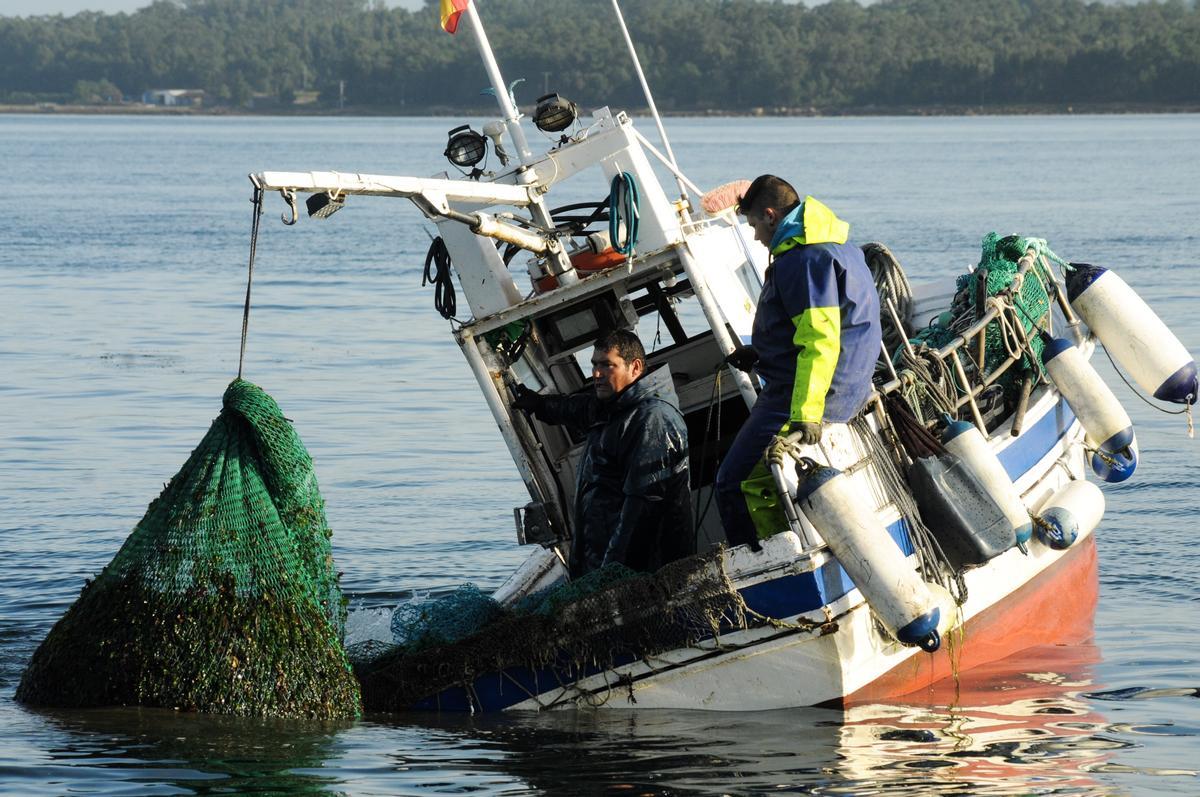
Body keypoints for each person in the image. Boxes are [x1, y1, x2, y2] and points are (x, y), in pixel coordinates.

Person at [716, 175, 882, 549]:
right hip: (851, 384)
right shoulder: (838, 246)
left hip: (806, 394)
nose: (757, 236)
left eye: (756, 225)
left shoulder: (802, 259)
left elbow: (819, 342)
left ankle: (771, 556)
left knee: (735, 481)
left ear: (771, 216)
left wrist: (807, 412)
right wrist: (759, 353)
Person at [511, 329, 695, 577]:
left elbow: (642, 507)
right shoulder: (616, 407)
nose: (596, 374)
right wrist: (541, 405)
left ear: (635, 367)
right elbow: (580, 408)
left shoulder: (652, 419)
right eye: (594, 364)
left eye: (607, 365)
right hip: (605, 561)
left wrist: (612, 572)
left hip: (648, 571)